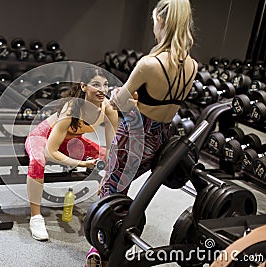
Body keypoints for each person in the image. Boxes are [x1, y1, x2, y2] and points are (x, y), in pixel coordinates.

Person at [85, 0, 198, 266]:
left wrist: (120, 97)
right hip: (161, 139)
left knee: (110, 189)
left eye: (154, 23)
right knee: (125, 190)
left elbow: (117, 103)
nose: (154, 28)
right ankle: (119, 238)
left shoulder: (149, 63)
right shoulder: (192, 66)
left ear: (162, 21)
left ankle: (99, 252)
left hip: (134, 137)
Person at [25, 67, 119, 241]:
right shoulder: (71, 109)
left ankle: (108, 208)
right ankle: (35, 217)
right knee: (37, 162)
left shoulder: (108, 109)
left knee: (109, 155)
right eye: (96, 85)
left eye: (105, 85)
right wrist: (83, 164)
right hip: (43, 137)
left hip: (72, 141)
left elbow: (113, 146)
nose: (102, 90)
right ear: (84, 87)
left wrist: (107, 174)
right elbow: (50, 151)